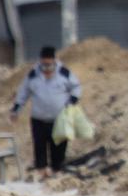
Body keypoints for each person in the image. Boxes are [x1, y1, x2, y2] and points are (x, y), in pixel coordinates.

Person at [10, 46, 82, 178]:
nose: (47, 69)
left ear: (54, 61)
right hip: (39, 119)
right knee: (40, 146)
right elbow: (23, 92)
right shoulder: (33, 75)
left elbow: (76, 87)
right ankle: (41, 172)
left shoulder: (64, 73)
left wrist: (72, 100)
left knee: (59, 145)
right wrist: (16, 109)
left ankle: (56, 170)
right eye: (44, 65)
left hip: (59, 118)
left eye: (49, 65)